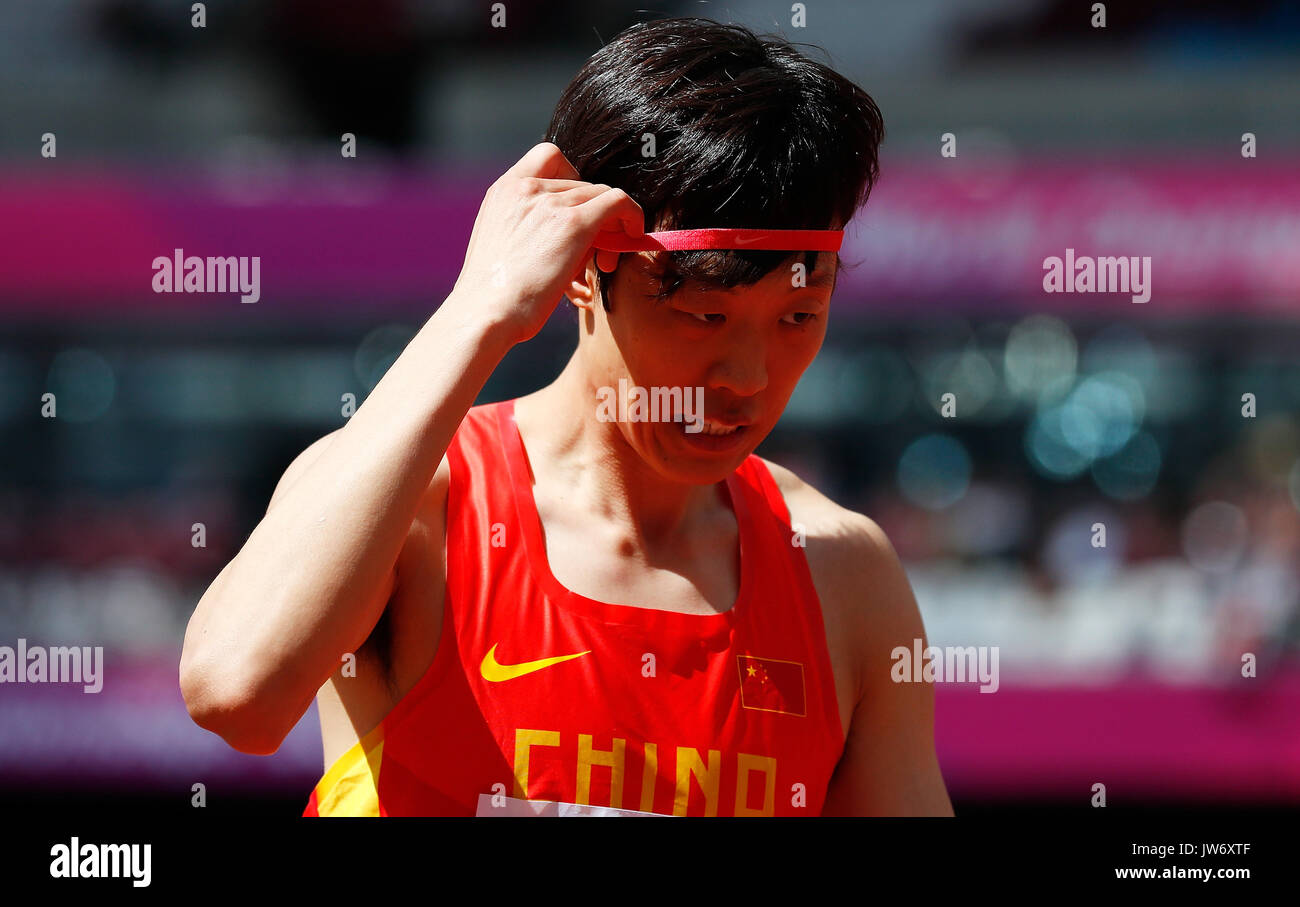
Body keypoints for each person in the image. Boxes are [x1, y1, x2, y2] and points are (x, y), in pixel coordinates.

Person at [180, 16, 953, 817]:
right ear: (585, 270)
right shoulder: (419, 504)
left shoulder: (841, 571)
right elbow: (235, 692)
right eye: (703, 315)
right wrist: (480, 305)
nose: (746, 380)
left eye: (798, 316)